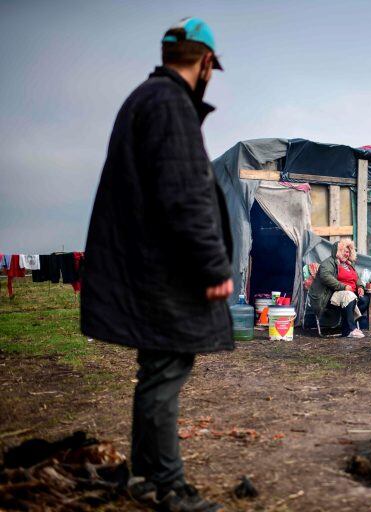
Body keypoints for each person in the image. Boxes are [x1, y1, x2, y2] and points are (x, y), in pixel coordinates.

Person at [81, 17, 231, 512]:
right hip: (166, 274)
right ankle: (168, 488)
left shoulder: (145, 98)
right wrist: (213, 267)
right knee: (166, 373)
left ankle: (145, 478)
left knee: (156, 373)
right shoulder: (170, 105)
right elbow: (184, 195)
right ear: (206, 61)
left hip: (149, 268)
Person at [308, 239, 369, 338]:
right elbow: (325, 276)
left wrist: (360, 286)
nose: (346, 254)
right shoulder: (329, 262)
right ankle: (351, 329)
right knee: (349, 296)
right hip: (331, 295)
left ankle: (346, 328)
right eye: (344, 251)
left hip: (349, 293)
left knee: (365, 300)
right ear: (338, 251)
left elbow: (356, 277)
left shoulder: (349, 264)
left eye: (348, 252)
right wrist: (343, 286)